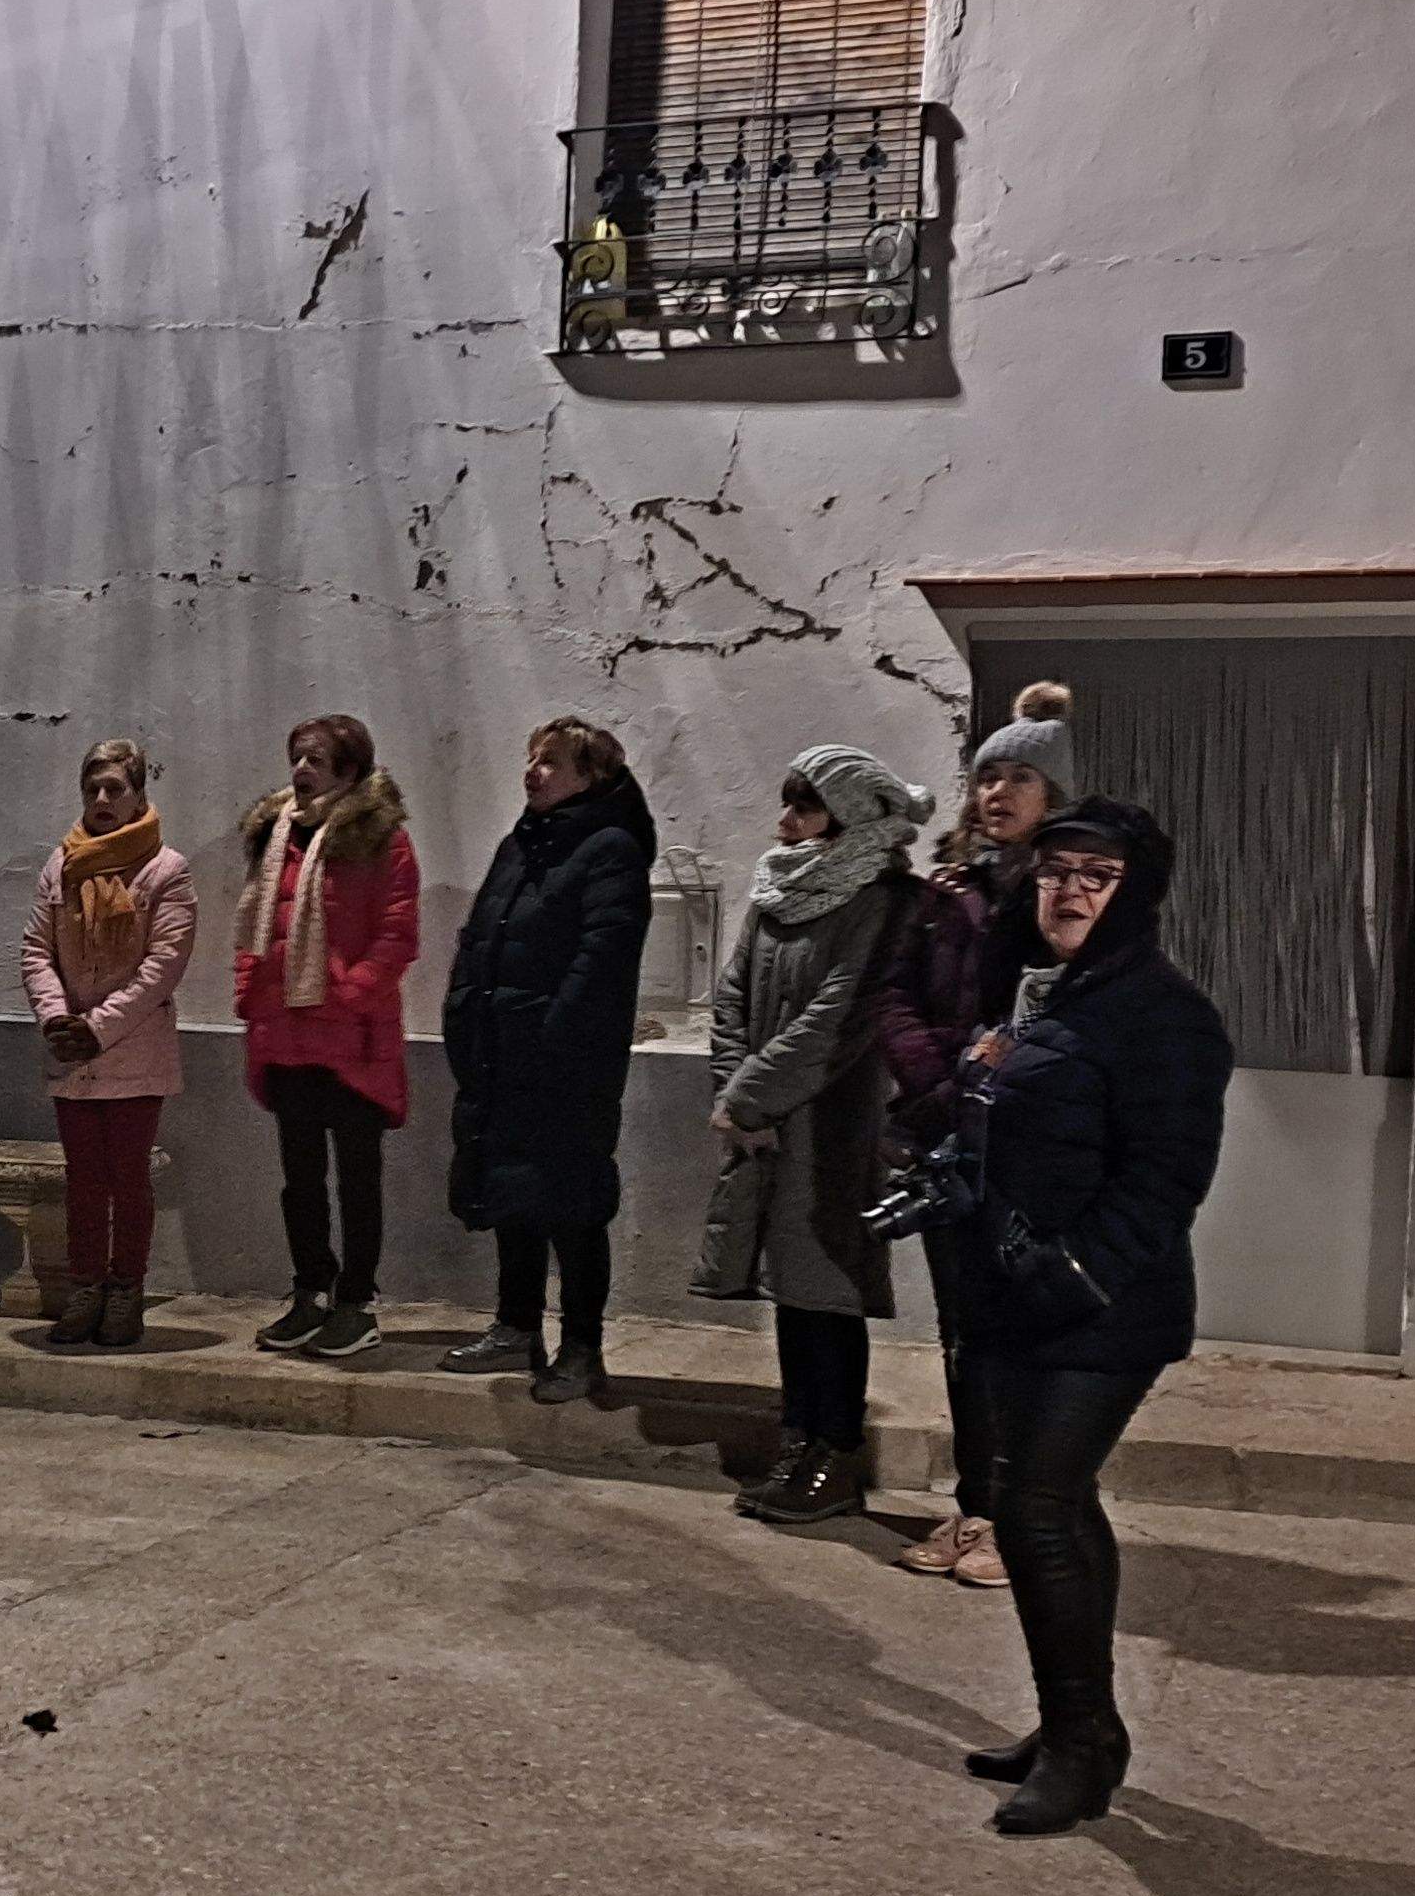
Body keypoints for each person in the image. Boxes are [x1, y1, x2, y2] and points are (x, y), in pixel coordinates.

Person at [931, 796, 1232, 1838]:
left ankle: (1077, 1747)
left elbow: (1166, 1181)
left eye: (1095, 876)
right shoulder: (1030, 998)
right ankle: (1082, 1724)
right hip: (1012, 1295)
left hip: (1105, 1311)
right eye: (1055, 869)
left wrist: (1069, 1269)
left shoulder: (1163, 1013)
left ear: (1133, 893)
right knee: (1054, 1504)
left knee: (1032, 1508)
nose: (1067, 890)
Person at [876, 679, 1078, 1587]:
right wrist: (934, 1072)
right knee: (963, 1333)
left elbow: (1065, 1015)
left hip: (1027, 1142)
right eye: (988, 776)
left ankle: (1022, 1514)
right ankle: (975, 1507)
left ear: (1055, 797)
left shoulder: (1067, 892)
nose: (997, 794)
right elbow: (894, 995)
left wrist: (1001, 1069)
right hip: (945, 1133)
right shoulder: (944, 892)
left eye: (1020, 779)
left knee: (1021, 1330)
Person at [694, 744, 926, 1530]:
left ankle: (836, 1454)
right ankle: (798, 1441)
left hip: (834, 1130)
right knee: (791, 1297)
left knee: (829, 1291)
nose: (783, 823)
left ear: (849, 818)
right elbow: (730, 1001)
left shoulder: (890, 903)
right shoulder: (775, 897)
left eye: (802, 808)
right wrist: (735, 1097)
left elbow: (840, 1018)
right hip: (764, 1130)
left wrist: (750, 1099)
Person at [441, 717, 658, 1405]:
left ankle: (583, 1347)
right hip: (503, 1051)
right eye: (531, 759)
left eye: (552, 762)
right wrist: (464, 1013)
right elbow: (484, 934)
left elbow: (602, 957)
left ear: (591, 776)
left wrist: (555, 1037)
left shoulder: (609, 850)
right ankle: (515, 1325)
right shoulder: (523, 844)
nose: (533, 772)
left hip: (566, 1065)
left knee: (572, 1204)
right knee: (513, 1195)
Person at [232, 713, 418, 1357]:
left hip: (353, 1037)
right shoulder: (277, 834)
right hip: (287, 1033)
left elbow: (397, 936)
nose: (300, 770)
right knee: (300, 1176)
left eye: (314, 759)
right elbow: (257, 922)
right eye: (296, 757)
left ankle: (356, 1303)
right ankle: (310, 1292)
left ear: (350, 768)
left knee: (358, 1176)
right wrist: (249, 990)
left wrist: (348, 993)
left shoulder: (381, 839)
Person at [19, 737, 196, 1348]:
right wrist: (56, 1019)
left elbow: (162, 966)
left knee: (128, 1178)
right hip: (71, 1049)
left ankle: (126, 1290)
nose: (101, 799)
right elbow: (36, 951)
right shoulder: (60, 866)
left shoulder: (166, 870)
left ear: (139, 794)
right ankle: (85, 1286)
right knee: (82, 1180)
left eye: (114, 788)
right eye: (92, 788)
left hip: (132, 1047)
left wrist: (97, 1027)